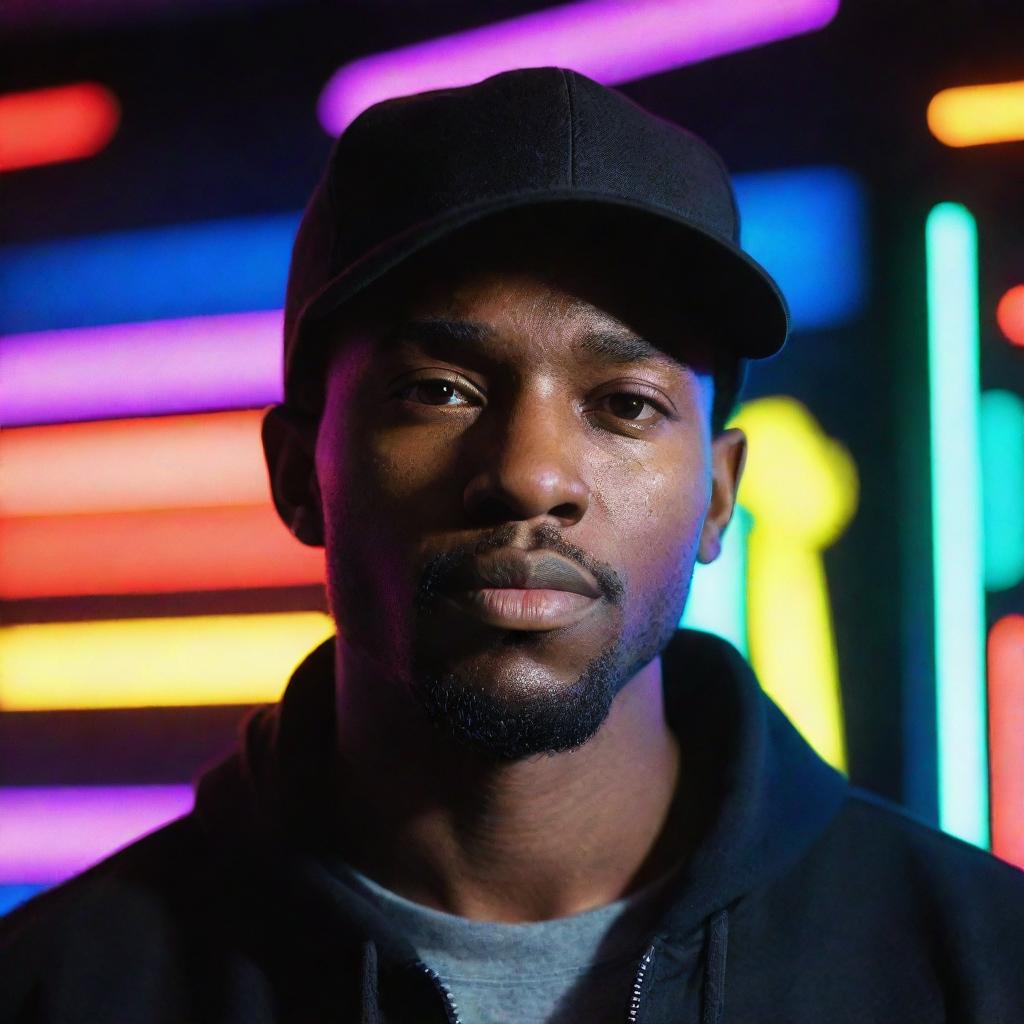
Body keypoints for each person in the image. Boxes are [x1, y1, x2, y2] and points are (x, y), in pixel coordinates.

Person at [2, 66, 1022, 1024]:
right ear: (295, 471)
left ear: (717, 498)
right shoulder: (59, 986)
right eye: (439, 390)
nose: (531, 474)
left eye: (624, 404)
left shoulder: (983, 965)